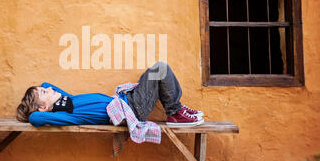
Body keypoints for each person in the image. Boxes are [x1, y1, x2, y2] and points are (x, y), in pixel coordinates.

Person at [16, 61, 204, 128]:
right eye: (44, 93)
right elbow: (36, 119)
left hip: (128, 101)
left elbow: (47, 83)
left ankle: (175, 110)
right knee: (159, 68)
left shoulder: (67, 101)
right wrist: (37, 108)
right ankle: (175, 112)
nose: (48, 89)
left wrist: (46, 94)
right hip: (132, 108)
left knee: (156, 71)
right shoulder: (66, 114)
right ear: (42, 107)